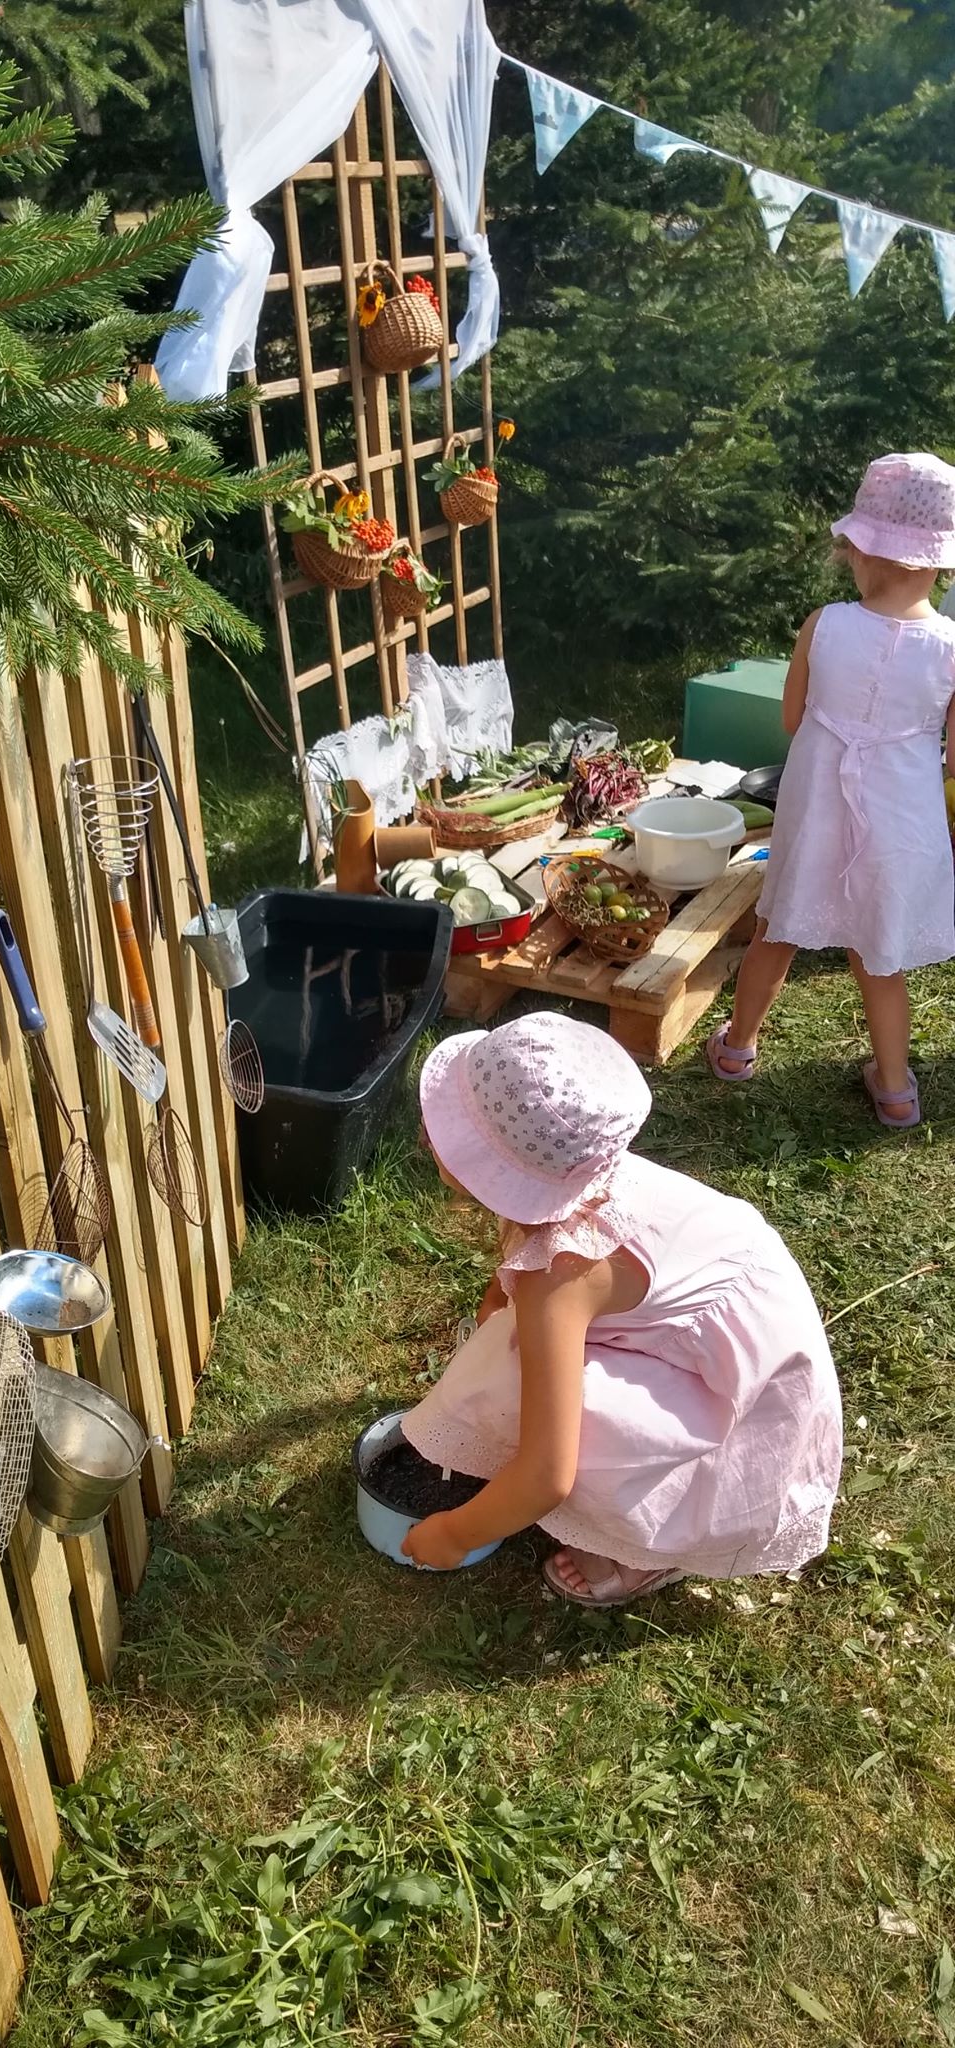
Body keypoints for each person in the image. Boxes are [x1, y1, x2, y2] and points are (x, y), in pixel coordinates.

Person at [399, 1013, 842, 1606]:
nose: (428, 1133)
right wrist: (498, 1300)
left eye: (449, 1130)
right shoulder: (586, 1172)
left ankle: (648, 1549)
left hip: (749, 1421)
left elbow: (546, 1476)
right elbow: (517, 1270)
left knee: (512, 1380)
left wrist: (454, 1534)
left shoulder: (561, 1274)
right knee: (512, 1350)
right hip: (739, 1348)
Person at [707, 451, 955, 1127]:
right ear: (939, 561)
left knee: (776, 930)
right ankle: (896, 1088)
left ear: (859, 551)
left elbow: (793, 718)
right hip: (898, 826)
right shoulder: (950, 647)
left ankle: (736, 1047)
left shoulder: (825, 624)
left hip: (816, 810)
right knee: (880, 959)